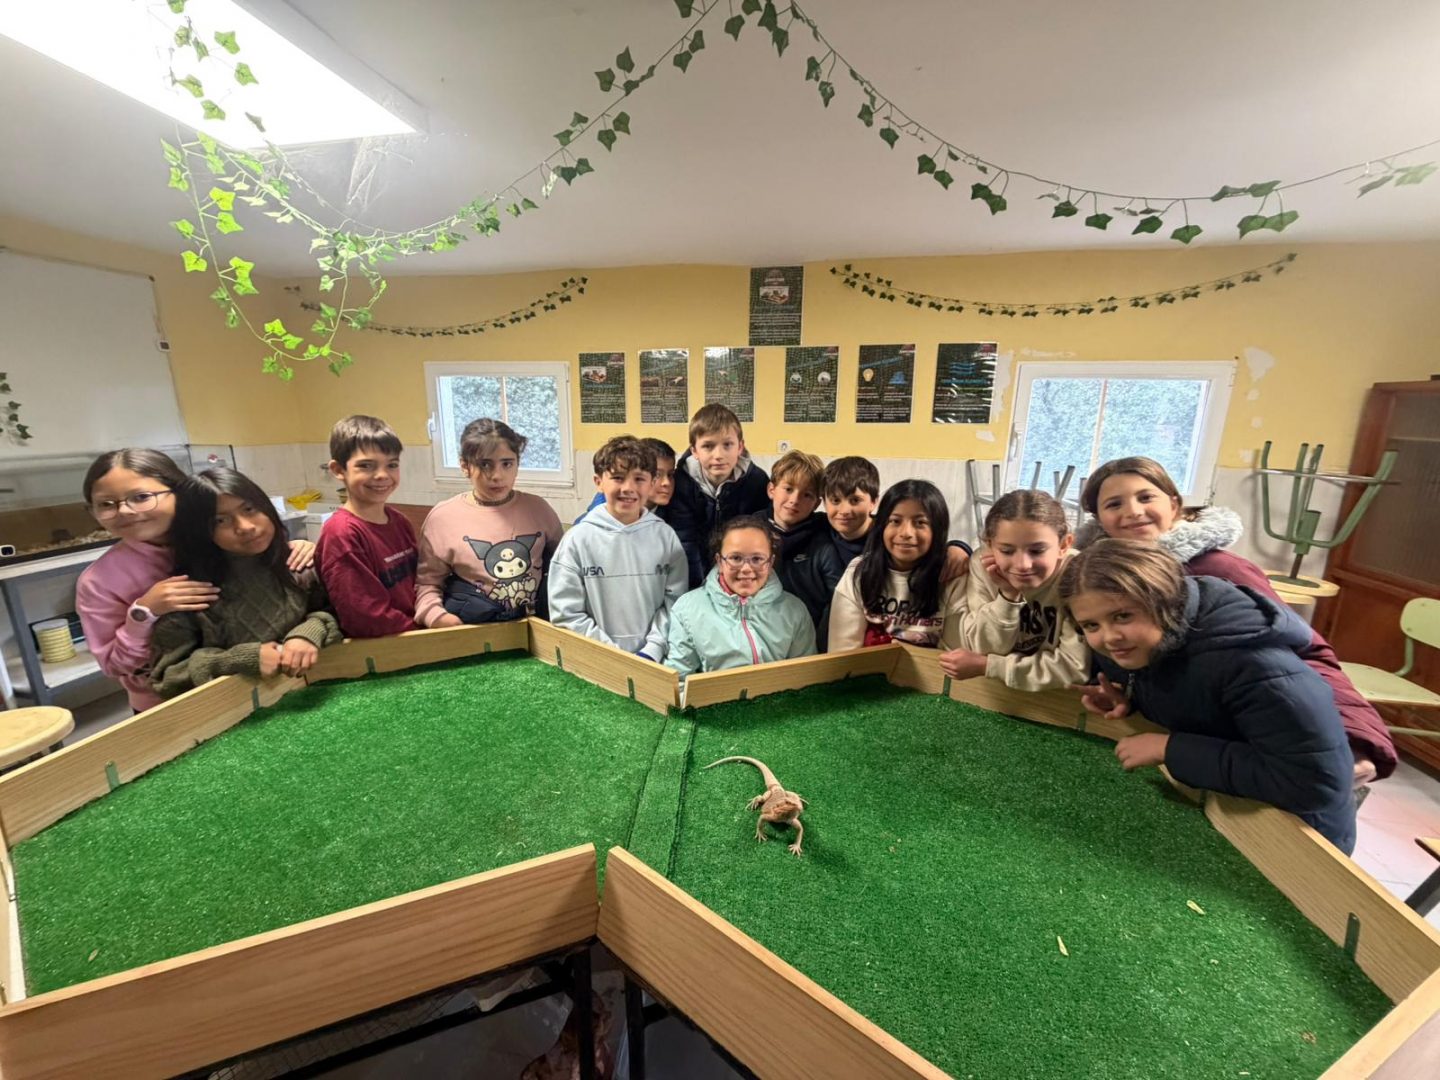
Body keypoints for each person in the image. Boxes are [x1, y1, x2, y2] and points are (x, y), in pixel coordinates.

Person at [1077, 456, 1395, 785]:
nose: (1133, 511)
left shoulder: (1221, 570)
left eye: (1145, 497)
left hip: (1260, 747)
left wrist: (1356, 739)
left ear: (1173, 505)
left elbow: (1303, 654)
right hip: (1197, 743)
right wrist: (1130, 698)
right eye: (1114, 504)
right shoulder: (1097, 581)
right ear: (1099, 519)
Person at [1061, 538, 1357, 853]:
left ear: (1163, 600)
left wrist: (1169, 748)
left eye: (1122, 616)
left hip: (1302, 839)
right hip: (1228, 810)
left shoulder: (1257, 667)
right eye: (1091, 625)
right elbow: (1193, 695)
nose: (1109, 637)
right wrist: (1131, 699)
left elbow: (1315, 783)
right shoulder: (1146, 643)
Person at [75, 448, 312, 713]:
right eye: (106, 504)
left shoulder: (219, 539)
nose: (124, 511)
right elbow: (114, 666)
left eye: (141, 497)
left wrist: (297, 549)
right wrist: (144, 612)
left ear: (181, 492)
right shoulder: (99, 581)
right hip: (168, 705)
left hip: (261, 685)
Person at [149, 468, 343, 698]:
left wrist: (308, 632)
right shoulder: (189, 594)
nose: (245, 526)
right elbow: (167, 678)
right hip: (235, 709)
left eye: (249, 509)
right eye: (220, 520)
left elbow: (336, 613)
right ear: (199, 531)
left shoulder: (299, 565)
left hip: (316, 693)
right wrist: (236, 660)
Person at [547, 436, 688, 660]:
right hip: (597, 661)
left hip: (654, 660)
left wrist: (652, 650)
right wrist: (613, 656)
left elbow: (676, 604)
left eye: (639, 479)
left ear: (651, 482)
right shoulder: (577, 540)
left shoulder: (666, 538)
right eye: (618, 478)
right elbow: (566, 613)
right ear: (598, 481)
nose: (628, 488)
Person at [415, 419, 563, 627]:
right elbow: (427, 584)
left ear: (517, 464)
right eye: (485, 464)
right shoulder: (442, 518)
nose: (497, 476)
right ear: (465, 465)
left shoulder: (539, 509)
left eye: (507, 464)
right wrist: (439, 618)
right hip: (472, 628)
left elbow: (565, 569)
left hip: (536, 627)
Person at [940, 490, 1089, 691]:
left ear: (1064, 545)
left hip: (1056, 699)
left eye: (1037, 551)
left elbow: (1074, 667)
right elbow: (982, 648)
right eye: (1007, 551)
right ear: (989, 545)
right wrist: (1008, 597)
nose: (1023, 565)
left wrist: (991, 666)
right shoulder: (983, 565)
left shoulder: (1079, 573)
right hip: (996, 693)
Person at [665, 514, 816, 676]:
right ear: (720, 561)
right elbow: (679, 678)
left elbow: (805, 676)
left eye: (757, 559)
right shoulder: (687, 609)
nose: (746, 569)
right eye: (736, 558)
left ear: (770, 562)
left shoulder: (795, 610)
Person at [828, 480, 966, 651]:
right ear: (882, 526)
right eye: (895, 521)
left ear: (937, 529)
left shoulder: (951, 575)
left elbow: (954, 653)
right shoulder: (860, 571)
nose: (906, 533)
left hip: (933, 668)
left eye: (920, 523)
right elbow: (843, 652)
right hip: (868, 667)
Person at [316, 415, 419, 637]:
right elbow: (365, 617)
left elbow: (419, 583)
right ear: (338, 470)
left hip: (416, 633)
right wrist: (424, 634)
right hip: (386, 645)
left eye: (392, 465)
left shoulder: (400, 522)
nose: (382, 475)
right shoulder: (342, 533)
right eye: (366, 466)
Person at [665, 403, 770, 587]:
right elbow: (685, 540)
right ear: (694, 451)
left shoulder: (757, 481)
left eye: (727, 445)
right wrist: (698, 587)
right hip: (693, 572)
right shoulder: (682, 482)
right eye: (708, 446)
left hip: (739, 573)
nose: (718, 455)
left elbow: (757, 538)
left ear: (740, 447)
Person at [573, 436, 677, 524]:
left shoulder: (672, 516)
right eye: (658, 475)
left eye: (670, 474)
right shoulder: (588, 526)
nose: (666, 483)